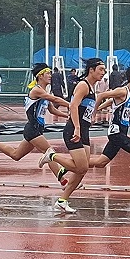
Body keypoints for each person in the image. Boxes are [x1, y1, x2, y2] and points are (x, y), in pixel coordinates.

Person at [0, 63, 70, 186]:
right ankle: (64, 182)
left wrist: (67, 116)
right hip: (33, 129)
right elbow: (56, 99)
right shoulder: (37, 90)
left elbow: (52, 109)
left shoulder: (44, 91)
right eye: (48, 73)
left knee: (16, 155)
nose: (50, 76)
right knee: (49, 152)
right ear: (40, 76)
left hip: (36, 129)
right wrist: (71, 105)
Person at [39, 58, 106, 213]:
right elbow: (73, 105)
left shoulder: (91, 87)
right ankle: (52, 156)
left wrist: (91, 117)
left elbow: (85, 108)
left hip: (84, 130)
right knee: (82, 166)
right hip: (74, 130)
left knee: (82, 169)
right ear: (91, 70)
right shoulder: (83, 85)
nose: (103, 73)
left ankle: (63, 200)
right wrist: (76, 127)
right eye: (101, 69)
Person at [89, 63, 130, 183]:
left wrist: (100, 108)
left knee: (101, 162)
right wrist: (94, 114)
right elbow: (101, 95)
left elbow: (112, 101)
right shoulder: (122, 91)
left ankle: (69, 166)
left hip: (122, 132)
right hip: (116, 132)